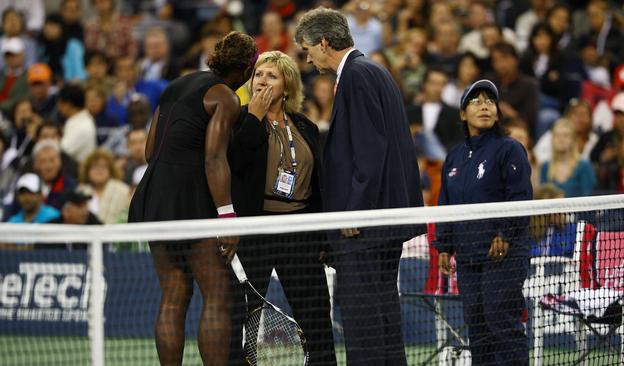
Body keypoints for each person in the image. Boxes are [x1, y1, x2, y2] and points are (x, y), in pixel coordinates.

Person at [295, 8, 423, 365]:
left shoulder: (356, 75)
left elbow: (369, 150)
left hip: (364, 227)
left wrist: (354, 210)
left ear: (324, 42)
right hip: (382, 223)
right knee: (382, 313)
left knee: (362, 319)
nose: (308, 58)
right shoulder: (372, 71)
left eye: (308, 49)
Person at [128, 31, 258, 366]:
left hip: (154, 198)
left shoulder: (175, 85)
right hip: (192, 201)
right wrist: (228, 218)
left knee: (173, 297)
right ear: (245, 70)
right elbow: (215, 159)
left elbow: (148, 151)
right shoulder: (225, 98)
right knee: (217, 296)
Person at [229, 50, 336, 365]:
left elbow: (319, 187)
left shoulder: (306, 126)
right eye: (258, 75)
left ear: (287, 86)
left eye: (271, 75)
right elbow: (233, 164)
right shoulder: (239, 120)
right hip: (255, 230)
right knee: (247, 319)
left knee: (316, 316)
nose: (262, 80)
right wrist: (254, 118)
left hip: (299, 231)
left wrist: (322, 237)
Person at [435, 80, 532, 365]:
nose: (484, 105)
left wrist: (504, 233)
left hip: (504, 256)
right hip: (468, 257)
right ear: (463, 114)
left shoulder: (510, 149)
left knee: (501, 322)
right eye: (475, 101)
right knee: (477, 329)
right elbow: (446, 204)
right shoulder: (453, 156)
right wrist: (443, 245)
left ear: (498, 111)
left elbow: (520, 198)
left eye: (489, 100)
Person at [539, 119, 596, 197]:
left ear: (573, 140)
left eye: (565, 135)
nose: (561, 139)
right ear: (552, 140)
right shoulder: (545, 167)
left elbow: (588, 198)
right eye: (557, 135)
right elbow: (542, 198)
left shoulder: (584, 166)